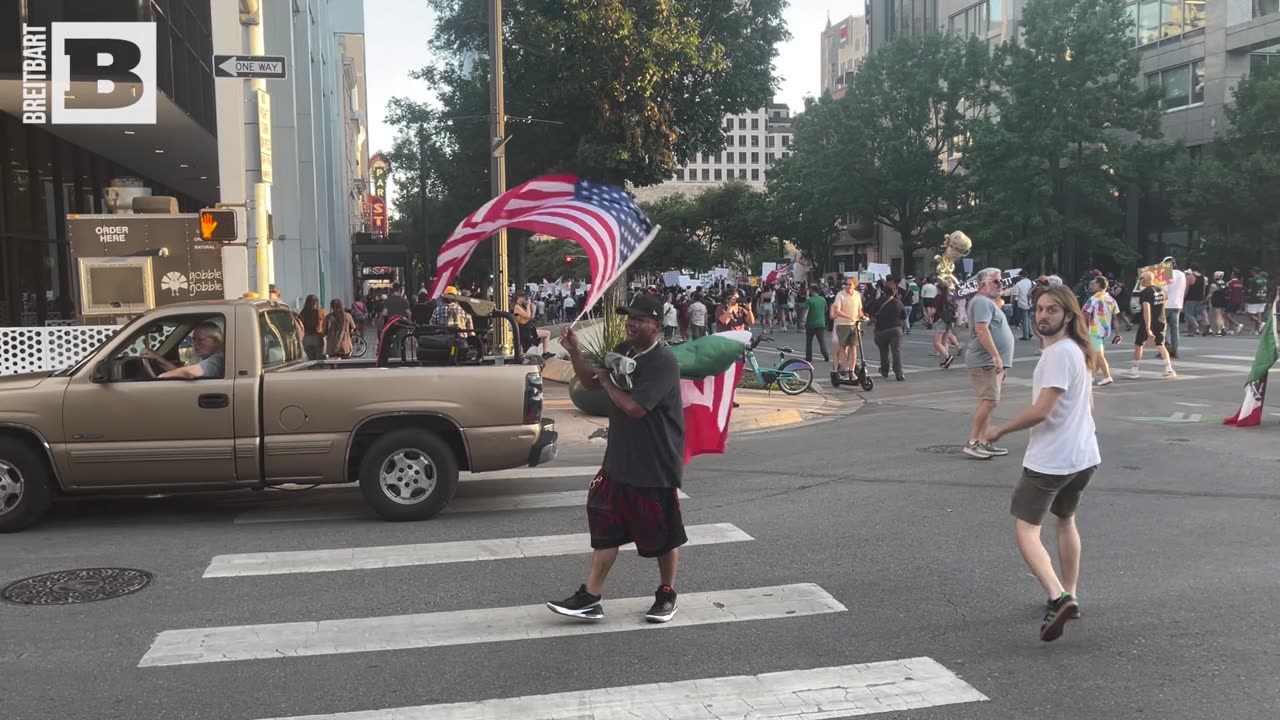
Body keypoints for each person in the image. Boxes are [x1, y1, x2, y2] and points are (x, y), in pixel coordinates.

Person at [548, 295, 686, 623]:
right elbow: (588, 381)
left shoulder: (663, 363)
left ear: (656, 325)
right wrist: (575, 351)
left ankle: (667, 593)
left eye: (639, 318)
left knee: (662, 534)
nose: (631, 323)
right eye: (629, 317)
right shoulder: (624, 352)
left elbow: (636, 408)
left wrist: (608, 381)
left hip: (654, 464)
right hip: (619, 462)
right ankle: (590, 596)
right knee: (604, 524)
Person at [984, 285, 1099, 643]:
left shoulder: (1058, 355)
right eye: (1039, 309)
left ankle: (1057, 596)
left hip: (1052, 460)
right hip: (1083, 456)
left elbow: (1042, 410)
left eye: (1052, 310)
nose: (1043, 316)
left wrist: (1000, 429)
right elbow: (1088, 406)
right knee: (1065, 521)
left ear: (1068, 315)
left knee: (1026, 529)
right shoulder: (1080, 351)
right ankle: (1071, 594)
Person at [964, 268, 1015, 459]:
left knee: (990, 402)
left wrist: (1002, 361)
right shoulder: (982, 302)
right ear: (983, 284)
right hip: (984, 361)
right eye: (996, 282)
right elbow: (981, 329)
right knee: (989, 400)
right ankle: (973, 442)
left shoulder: (986, 302)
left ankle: (984, 441)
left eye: (1001, 281)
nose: (1000, 285)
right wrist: (995, 356)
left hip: (990, 362)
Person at [1127, 271, 1175, 379]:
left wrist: (1148, 327)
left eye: (1141, 278)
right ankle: (1169, 368)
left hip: (1148, 321)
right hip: (1160, 320)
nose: (1140, 281)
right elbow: (1165, 303)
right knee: (1160, 344)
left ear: (1146, 279)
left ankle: (1134, 369)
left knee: (1139, 344)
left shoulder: (1145, 292)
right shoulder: (1161, 290)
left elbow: (1146, 309)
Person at [144, 320, 226, 380]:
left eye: (200, 340)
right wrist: (159, 359)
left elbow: (190, 373)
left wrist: (159, 379)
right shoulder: (209, 357)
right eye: (194, 339)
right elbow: (181, 373)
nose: (195, 343)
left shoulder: (219, 359)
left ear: (216, 340)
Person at [1082, 276, 1121, 386]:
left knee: (1099, 355)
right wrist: (1118, 334)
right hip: (1105, 331)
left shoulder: (1093, 299)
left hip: (1094, 330)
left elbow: (1085, 315)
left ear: (1098, 285)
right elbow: (1115, 318)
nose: (1092, 286)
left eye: (1094, 284)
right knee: (1097, 354)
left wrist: (1081, 329)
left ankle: (1107, 376)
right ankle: (1092, 376)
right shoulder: (1111, 299)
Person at [831, 276, 864, 377]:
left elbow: (859, 310)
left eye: (850, 284)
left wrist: (863, 316)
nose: (848, 286)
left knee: (853, 348)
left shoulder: (857, 295)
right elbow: (837, 311)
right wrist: (849, 317)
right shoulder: (840, 295)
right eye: (846, 284)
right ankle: (845, 368)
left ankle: (852, 370)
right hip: (842, 324)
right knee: (842, 348)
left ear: (854, 285)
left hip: (854, 325)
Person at [873, 285, 905, 381]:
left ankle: (884, 370)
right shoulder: (898, 303)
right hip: (895, 329)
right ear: (894, 292)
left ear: (884, 292)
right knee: (896, 351)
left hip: (881, 329)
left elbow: (870, 312)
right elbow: (903, 316)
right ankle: (899, 373)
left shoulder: (879, 301)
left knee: (883, 351)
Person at [514, 291, 553, 358]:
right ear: (518, 298)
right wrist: (528, 305)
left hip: (528, 327)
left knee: (547, 333)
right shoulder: (517, 307)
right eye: (523, 297)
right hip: (523, 329)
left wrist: (533, 308)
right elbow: (527, 316)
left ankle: (545, 352)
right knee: (524, 347)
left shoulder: (522, 306)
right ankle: (544, 353)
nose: (524, 299)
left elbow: (531, 317)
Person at [933, 281, 962, 366]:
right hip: (948, 320)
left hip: (940, 319)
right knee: (944, 342)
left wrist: (927, 317)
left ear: (938, 289)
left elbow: (933, 310)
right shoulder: (949, 297)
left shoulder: (938, 297)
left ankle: (947, 356)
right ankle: (944, 360)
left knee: (937, 342)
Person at [1162, 257, 1186, 358]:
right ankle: (1174, 350)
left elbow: (1164, 290)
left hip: (1167, 304)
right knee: (1174, 329)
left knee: (1162, 328)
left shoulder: (1167, 273)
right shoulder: (1182, 274)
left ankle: (1164, 348)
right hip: (1177, 304)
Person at [803, 285, 831, 363]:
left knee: (809, 341)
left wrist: (803, 320)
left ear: (812, 291)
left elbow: (806, 312)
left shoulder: (809, 300)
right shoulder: (823, 300)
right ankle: (826, 356)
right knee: (821, 341)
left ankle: (809, 357)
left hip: (811, 323)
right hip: (821, 323)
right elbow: (825, 310)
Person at [299, 294, 326, 361]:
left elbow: (300, 324)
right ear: (316, 302)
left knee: (311, 360)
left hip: (306, 338)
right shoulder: (321, 312)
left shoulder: (303, 313)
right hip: (317, 337)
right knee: (318, 359)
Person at [1013, 271, 1035, 341]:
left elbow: (1015, 295)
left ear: (1021, 276)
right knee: (1028, 318)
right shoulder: (1031, 282)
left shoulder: (1018, 284)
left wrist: (1013, 302)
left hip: (1022, 303)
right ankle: (1029, 332)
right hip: (1030, 303)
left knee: (1024, 319)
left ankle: (1026, 336)